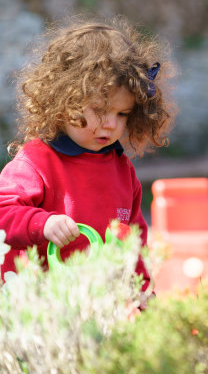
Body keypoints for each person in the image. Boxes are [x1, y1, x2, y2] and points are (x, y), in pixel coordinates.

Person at [0, 17, 176, 301]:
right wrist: (40, 224)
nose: (110, 124)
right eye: (100, 110)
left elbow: (134, 240)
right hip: (41, 305)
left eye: (122, 114)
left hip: (103, 304)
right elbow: (3, 212)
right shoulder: (36, 161)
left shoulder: (121, 168)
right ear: (64, 99)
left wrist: (141, 290)